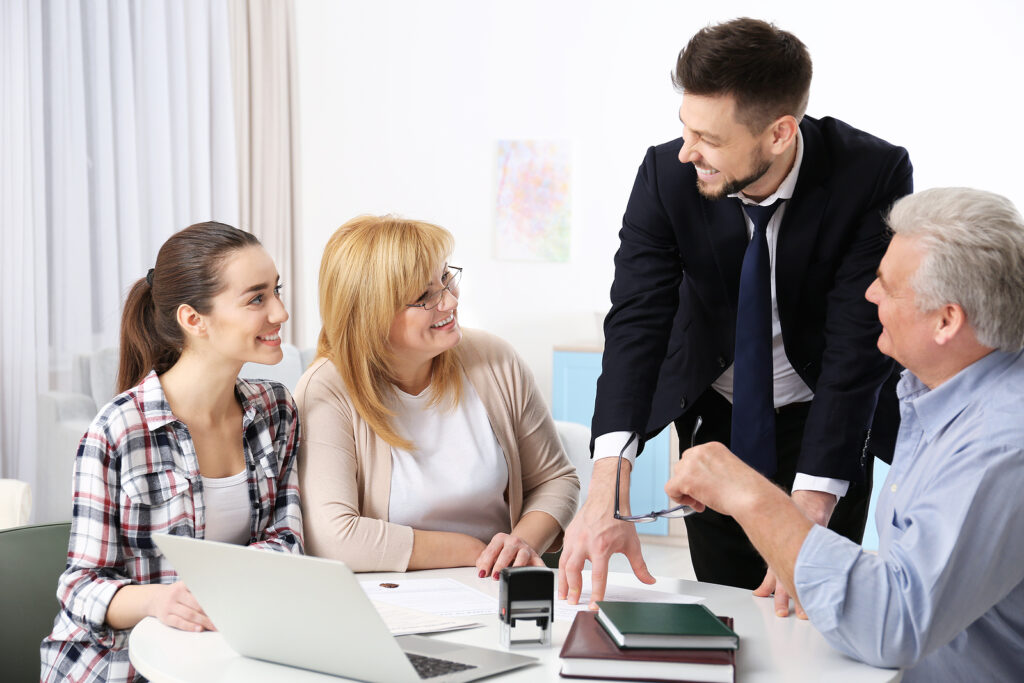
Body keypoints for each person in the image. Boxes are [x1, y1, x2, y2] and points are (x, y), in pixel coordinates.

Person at [558, 17, 913, 612]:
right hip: (715, 422)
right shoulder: (665, 175)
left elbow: (857, 341)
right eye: (685, 128)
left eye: (710, 138)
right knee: (725, 612)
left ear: (779, 134)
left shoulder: (870, 173)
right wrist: (606, 491)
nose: (687, 151)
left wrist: (809, 513)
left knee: (814, 611)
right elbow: (637, 322)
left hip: (825, 419)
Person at [665, 187, 1024, 680]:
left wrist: (749, 494)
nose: (870, 294)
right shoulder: (936, 394)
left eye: (886, 285)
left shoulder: (1002, 442)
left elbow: (896, 622)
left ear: (946, 320)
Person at [40, 223, 303, 683]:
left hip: (222, 655)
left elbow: (288, 539)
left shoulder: (275, 410)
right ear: (193, 319)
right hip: (118, 666)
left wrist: (223, 593)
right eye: (257, 298)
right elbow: (80, 588)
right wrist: (158, 600)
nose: (280, 312)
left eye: (276, 290)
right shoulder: (119, 431)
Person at [296, 215, 579, 576]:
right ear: (371, 315)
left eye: (445, 278)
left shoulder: (494, 359)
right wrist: (474, 550)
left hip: (494, 583)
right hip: (392, 597)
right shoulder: (327, 388)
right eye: (424, 296)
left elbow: (556, 479)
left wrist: (519, 544)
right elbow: (333, 537)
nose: (449, 301)